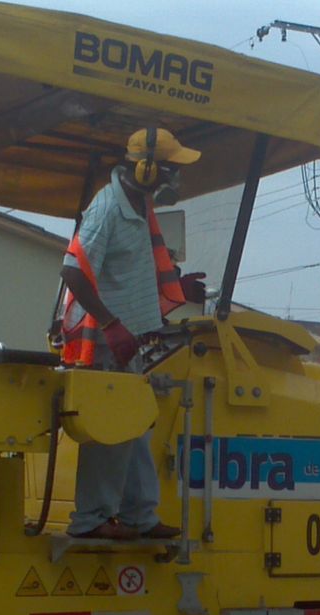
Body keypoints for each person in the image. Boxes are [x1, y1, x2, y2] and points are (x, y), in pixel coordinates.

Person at [51, 127, 209, 540]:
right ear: (146, 167)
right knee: (112, 428)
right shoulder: (108, 208)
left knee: (136, 427)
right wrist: (110, 324)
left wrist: (176, 284)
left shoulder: (139, 205)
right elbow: (73, 270)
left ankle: (141, 516)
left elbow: (131, 268)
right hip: (108, 341)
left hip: (129, 338)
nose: (174, 178)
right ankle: (92, 520)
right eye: (170, 169)